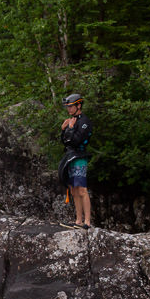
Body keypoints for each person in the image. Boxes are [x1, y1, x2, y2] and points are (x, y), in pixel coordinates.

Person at [58, 93, 93, 228]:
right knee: (73, 190)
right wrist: (63, 130)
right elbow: (65, 141)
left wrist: (71, 129)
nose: (69, 109)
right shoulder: (72, 120)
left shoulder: (84, 122)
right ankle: (78, 220)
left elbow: (76, 140)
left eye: (71, 106)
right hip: (70, 156)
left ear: (79, 105)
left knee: (82, 189)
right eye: (67, 107)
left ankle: (87, 222)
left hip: (79, 157)